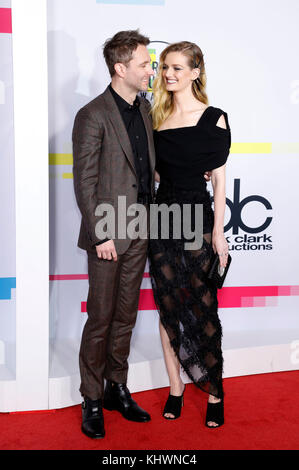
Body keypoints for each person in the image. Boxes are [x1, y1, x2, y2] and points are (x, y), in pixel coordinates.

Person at [72, 30, 156, 439]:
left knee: (126, 316)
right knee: (101, 319)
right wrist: (100, 233)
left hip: (141, 228)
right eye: (144, 63)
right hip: (108, 235)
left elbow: (142, 167)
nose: (150, 70)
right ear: (121, 68)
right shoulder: (92, 114)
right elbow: (85, 182)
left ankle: (115, 388)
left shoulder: (144, 109)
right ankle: (91, 397)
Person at [148, 41, 231, 428]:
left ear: (196, 72)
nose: (169, 74)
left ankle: (215, 391)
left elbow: (218, 178)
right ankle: (175, 387)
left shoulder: (215, 118)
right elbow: (158, 173)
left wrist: (219, 232)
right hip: (163, 221)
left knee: (203, 307)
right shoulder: (156, 117)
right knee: (168, 309)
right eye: (165, 67)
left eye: (178, 68)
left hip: (198, 218)